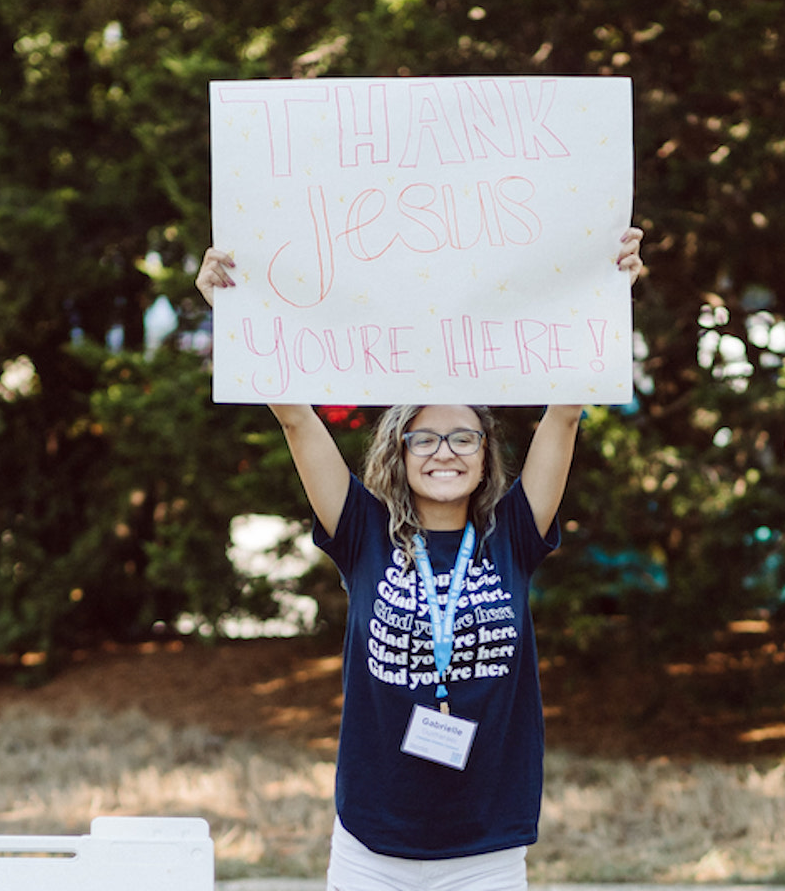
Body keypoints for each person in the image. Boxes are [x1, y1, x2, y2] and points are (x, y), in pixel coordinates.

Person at [194, 227, 638, 891]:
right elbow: (295, 418)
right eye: (423, 437)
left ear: (487, 453)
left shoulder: (512, 532)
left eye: (463, 436)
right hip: (373, 846)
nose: (444, 451)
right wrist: (237, 310)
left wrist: (607, 293)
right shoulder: (362, 532)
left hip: (485, 849)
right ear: (398, 454)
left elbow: (564, 415)